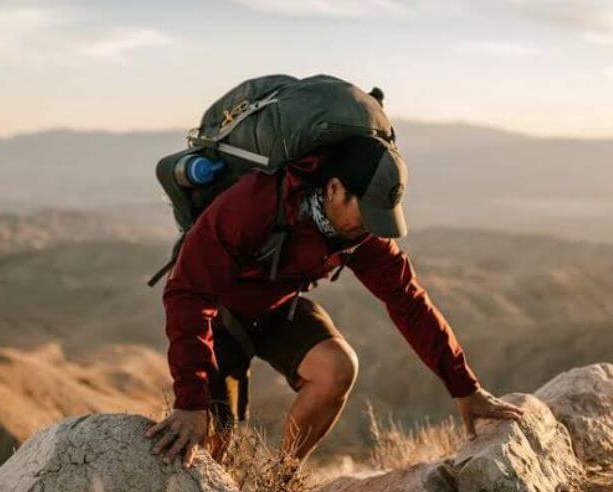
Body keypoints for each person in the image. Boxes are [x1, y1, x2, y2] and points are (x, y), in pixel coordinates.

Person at [145, 135, 524, 467]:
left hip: (277, 308)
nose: (372, 226)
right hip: (219, 315)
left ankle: (278, 481)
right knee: (211, 446)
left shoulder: (361, 234)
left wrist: (466, 388)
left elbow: (409, 302)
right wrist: (191, 400)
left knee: (338, 368)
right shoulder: (254, 204)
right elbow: (188, 292)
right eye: (367, 212)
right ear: (334, 189)